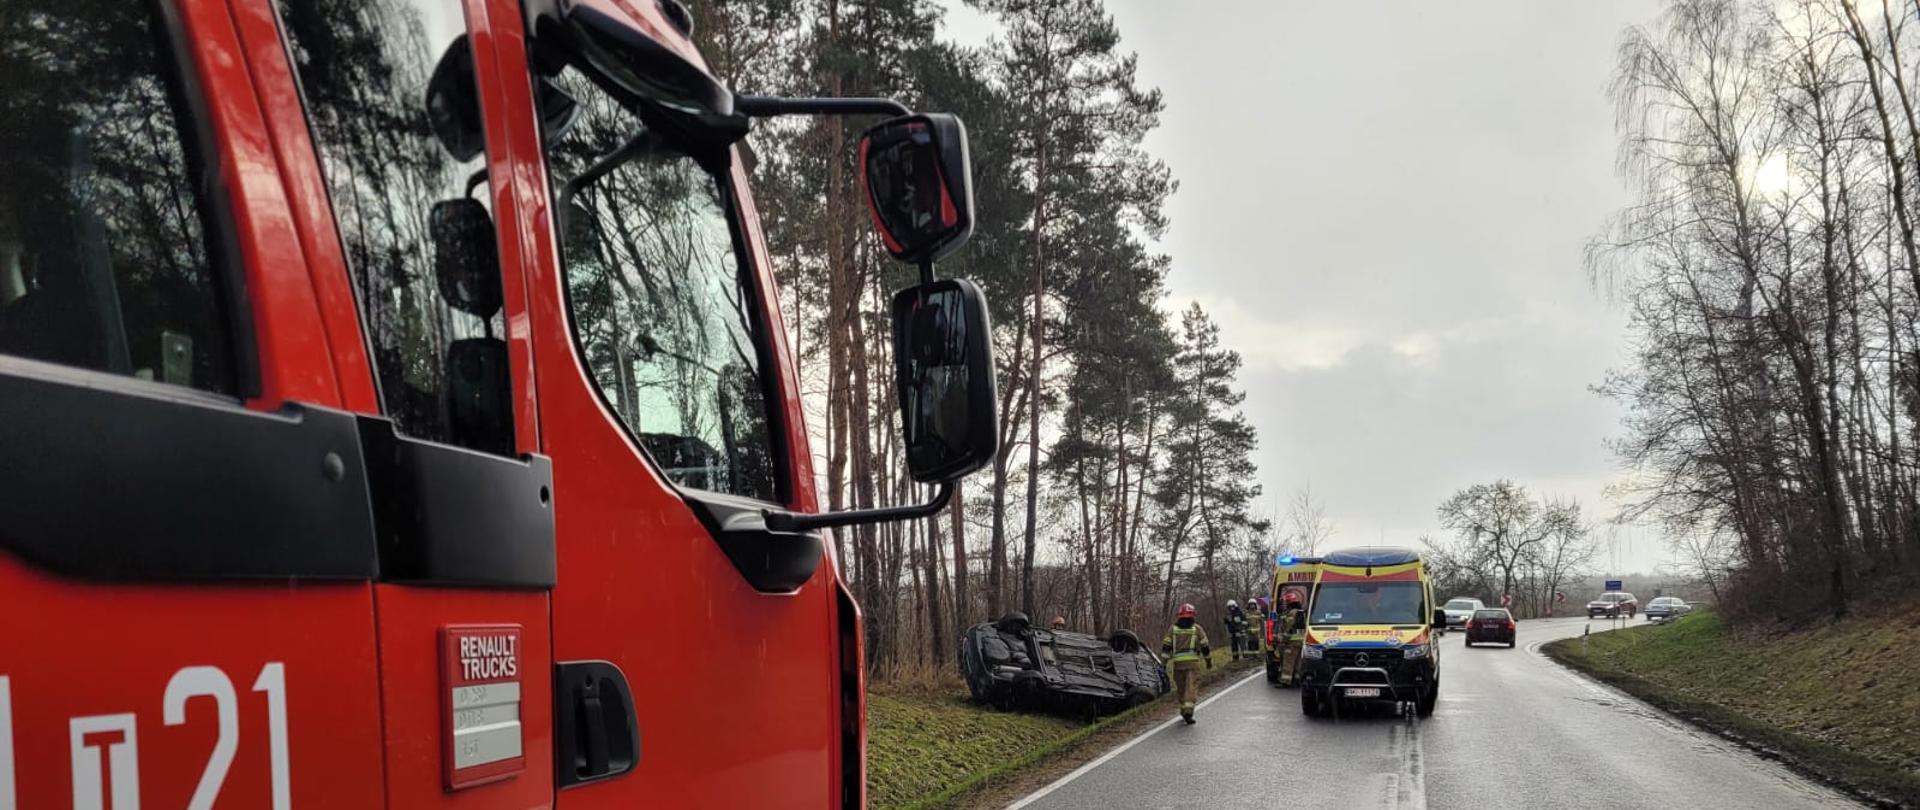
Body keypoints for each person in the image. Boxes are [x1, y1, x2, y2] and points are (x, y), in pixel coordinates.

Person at [1162, 603, 1212, 723]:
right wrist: (1208, 660)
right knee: (1191, 688)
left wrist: (1163, 663)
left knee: (1182, 689)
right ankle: (1188, 711)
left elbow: (1166, 647)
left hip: (1178, 665)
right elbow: (1205, 646)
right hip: (1192, 664)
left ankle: (1184, 710)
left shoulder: (1172, 629)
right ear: (1193, 615)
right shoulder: (1197, 629)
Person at [1276, 592, 1308, 686]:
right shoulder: (1302, 612)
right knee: (1298, 662)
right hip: (1301, 641)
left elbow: (1289, 627)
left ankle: (1286, 682)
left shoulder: (1291, 613)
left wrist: (1283, 638)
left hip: (1292, 642)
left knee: (1288, 662)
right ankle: (1297, 680)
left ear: (1289, 603)